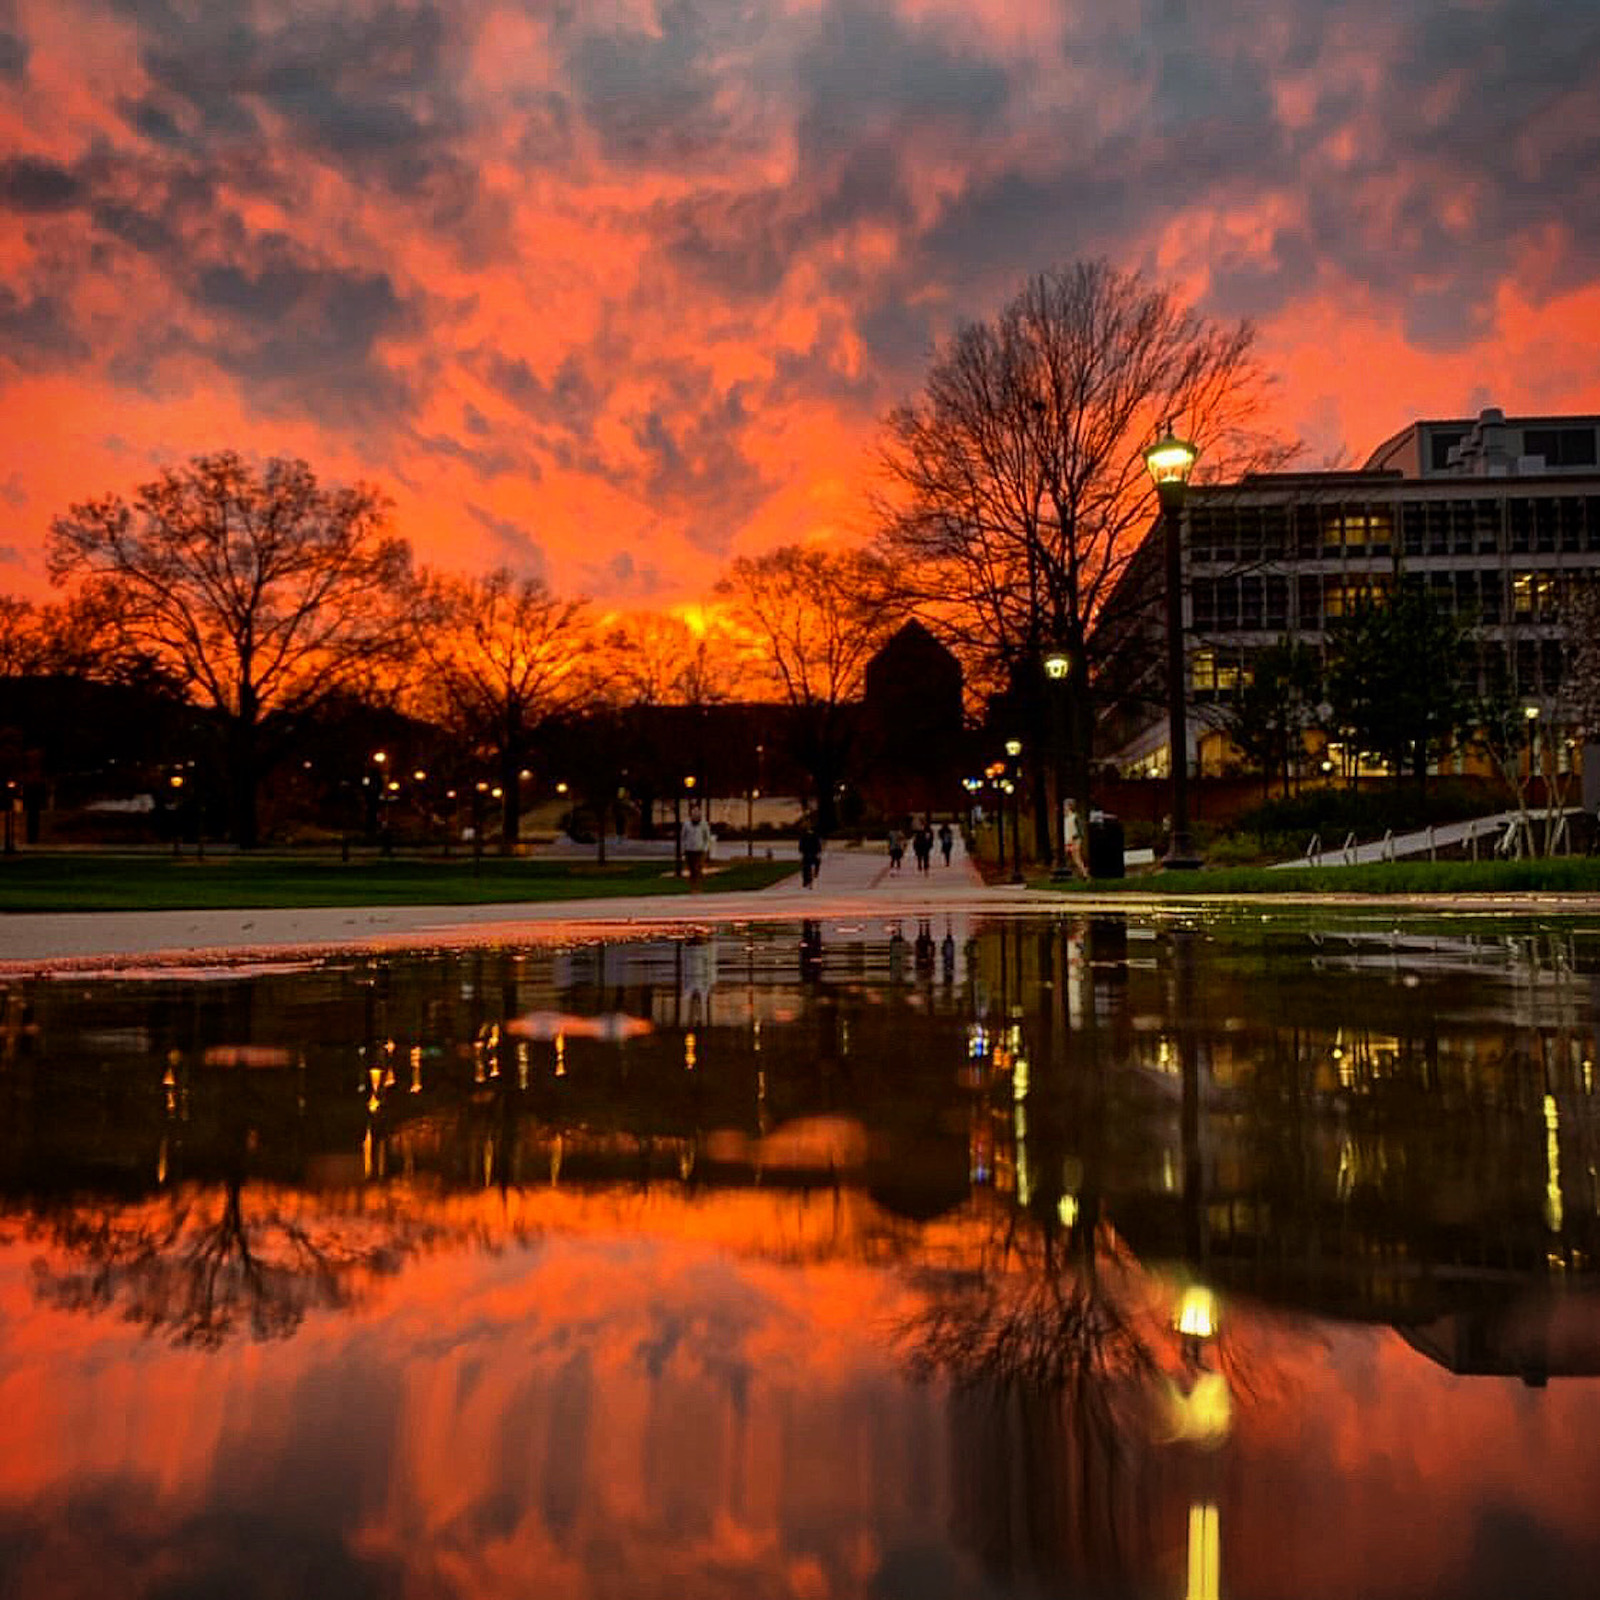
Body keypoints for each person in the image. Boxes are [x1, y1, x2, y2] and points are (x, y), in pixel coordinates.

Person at [680, 799, 714, 890]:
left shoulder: (704, 824)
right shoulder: (687, 825)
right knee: (691, 868)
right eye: (693, 813)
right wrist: (683, 848)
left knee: (698, 867)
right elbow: (683, 837)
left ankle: (698, 885)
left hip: (700, 849)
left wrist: (706, 848)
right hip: (689, 849)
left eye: (697, 813)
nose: (695, 815)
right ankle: (693, 885)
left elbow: (707, 837)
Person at [798, 816, 823, 888]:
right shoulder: (805, 834)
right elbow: (801, 843)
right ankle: (809, 878)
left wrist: (818, 851)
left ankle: (810, 878)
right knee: (807, 866)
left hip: (811, 853)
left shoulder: (813, 834)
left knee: (808, 866)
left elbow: (817, 843)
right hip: (808, 853)